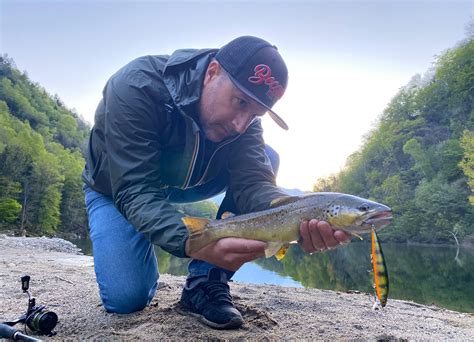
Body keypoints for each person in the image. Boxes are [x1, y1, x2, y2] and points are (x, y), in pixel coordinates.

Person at [82, 36, 351, 330]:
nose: (240, 124)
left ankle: (204, 283)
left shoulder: (246, 124)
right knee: (126, 298)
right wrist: (191, 241)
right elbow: (135, 190)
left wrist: (300, 216)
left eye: (255, 114)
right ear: (212, 73)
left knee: (265, 158)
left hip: (192, 185)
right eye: (240, 102)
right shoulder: (136, 86)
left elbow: (253, 185)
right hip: (119, 187)